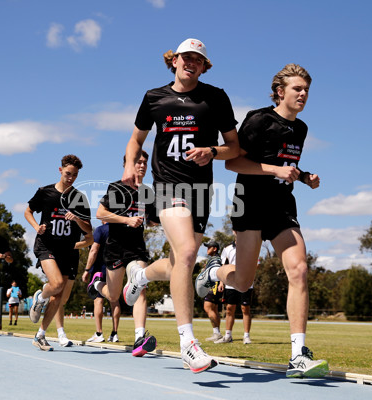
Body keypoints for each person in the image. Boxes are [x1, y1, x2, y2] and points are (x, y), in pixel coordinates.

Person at [195, 64, 329, 378]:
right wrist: (275, 170)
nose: (303, 94)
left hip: (281, 205)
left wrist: (304, 176)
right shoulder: (259, 119)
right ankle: (215, 271)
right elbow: (233, 162)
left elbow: (286, 163)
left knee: (299, 269)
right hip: (250, 203)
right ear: (280, 91)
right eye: (297, 89)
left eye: (306, 89)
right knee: (243, 282)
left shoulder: (301, 129)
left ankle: (298, 355)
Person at [121, 38, 239, 373]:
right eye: (186, 57)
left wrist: (211, 151)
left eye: (198, 59)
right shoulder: (154, 97)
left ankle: (140, 276)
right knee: (188, 253)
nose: (191, 62)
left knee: (177, 266)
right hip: (168, 185)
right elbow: (136, 138)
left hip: (201, 190)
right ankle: (188, 342)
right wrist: (131, 165)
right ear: (173, 61)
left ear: (204, 66)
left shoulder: (215, 97)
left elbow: (234, 147)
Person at [88, 151, 157, 357]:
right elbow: (100, 214)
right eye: (138, 162)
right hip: (116, 247)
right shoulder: (117, 187)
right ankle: (97, 284)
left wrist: (171, 214)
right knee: (114, 295)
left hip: (137, 247)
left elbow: (151, 220)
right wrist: (126, 220)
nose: (142, 165)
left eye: (145, 162)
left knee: (141, 286)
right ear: (128, 164)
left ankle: (139, 337)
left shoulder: (147, 191)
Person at [25, 154, 93, 351]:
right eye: (68, 173)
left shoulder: (79, 198)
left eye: (75, 175)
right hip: (46, 245)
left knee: (59, 296)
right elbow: (27, 212)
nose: (71, 178)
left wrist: (77, 219)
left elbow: (88, 230)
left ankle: (40, 335)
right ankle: (40, 298)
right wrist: (36, 226)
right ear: (60, 170)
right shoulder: (45, 192)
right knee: (56, 284)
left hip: (67, 249)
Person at [82, 222, 122, 343]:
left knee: (98, 300)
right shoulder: (121, 230)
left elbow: (94, 250)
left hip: (99, 268)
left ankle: (99, 333)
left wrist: (87, 270)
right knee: (114, 300)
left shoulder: (101, 230)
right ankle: (114, 334)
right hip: (116, 267)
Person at [215, 236, 253, 345]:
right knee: (229, 309)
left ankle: (246, 336)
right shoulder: (227, 249)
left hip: (246, 283)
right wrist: (221, 282)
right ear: (233, 232)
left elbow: (257, 264)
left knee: (245, 309)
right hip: (230, 284)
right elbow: (223, 266)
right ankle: (228, 335)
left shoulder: (251, 247)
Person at [201, 241, 224, 342]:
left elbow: (222, 270)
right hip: (213, 285)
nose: (207, 249)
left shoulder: (216, 259)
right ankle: (217, 333)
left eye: (209, 247)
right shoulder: (212, 259)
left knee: (207, 307)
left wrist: (221, 283)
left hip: (215, 285)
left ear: (214, 249)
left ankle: (217, 333)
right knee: (214, 309)